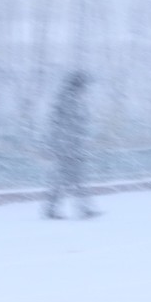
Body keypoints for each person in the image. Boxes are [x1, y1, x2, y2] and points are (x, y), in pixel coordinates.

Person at [43, 70, 100, 220]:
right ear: (78, 85)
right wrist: (71, 148)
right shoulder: (69, 100)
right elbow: (69, 126)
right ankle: (80, 209)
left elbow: (69, 125)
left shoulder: (68, 99)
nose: (85, 89)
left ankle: (79, 208)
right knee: (70, 180)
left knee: (68, 181)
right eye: (83, 85)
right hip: (68, 149)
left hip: (69, 147)